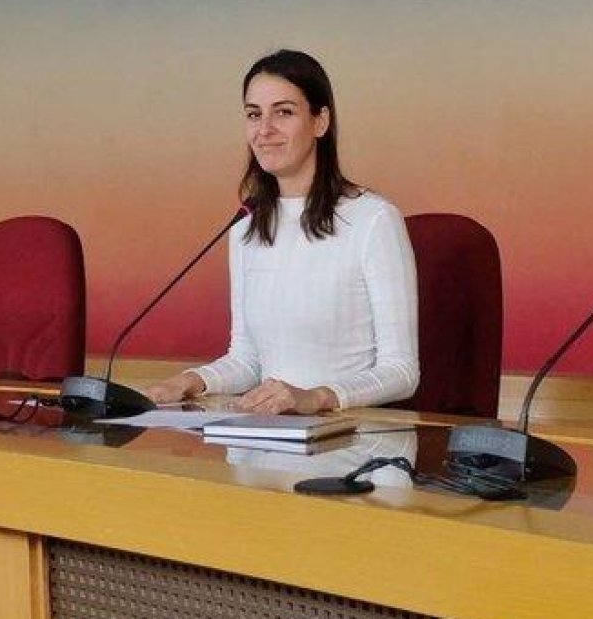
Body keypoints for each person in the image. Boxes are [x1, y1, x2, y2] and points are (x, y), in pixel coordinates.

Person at [143, 50, 419, 414]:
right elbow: (247, 360)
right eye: (254, 114)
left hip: (347, 446)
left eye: (284, 112)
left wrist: (316, 397)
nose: (264, 129)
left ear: (320, 121)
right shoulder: (245, 229)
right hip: (265, 440)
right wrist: (187, 382)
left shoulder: (373, 220)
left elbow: (401, 372)